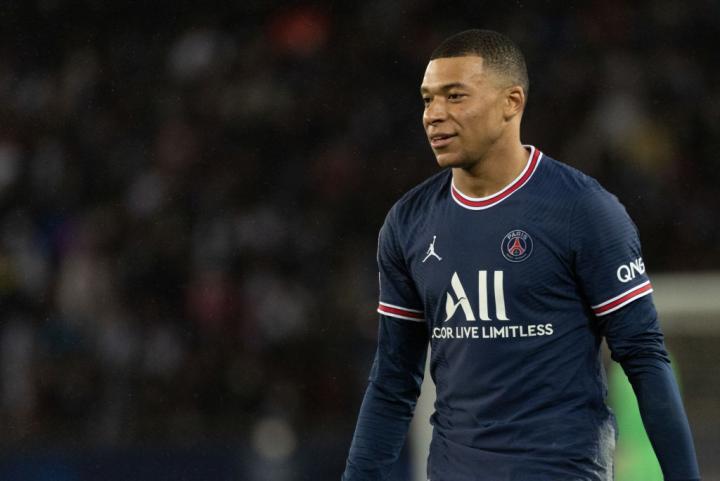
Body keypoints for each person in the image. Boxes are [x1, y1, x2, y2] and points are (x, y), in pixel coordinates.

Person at [341, 29, 700, 481]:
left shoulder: (583, 209)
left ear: (512, 102)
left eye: (455, 96)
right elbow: (393, 383)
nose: (434, 114)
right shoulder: (408, 223)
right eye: (428, 99)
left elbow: (644, 357)